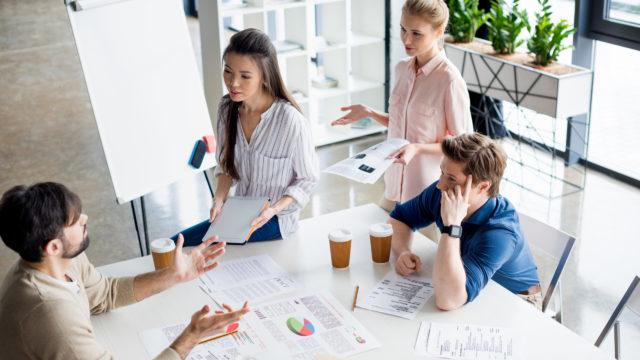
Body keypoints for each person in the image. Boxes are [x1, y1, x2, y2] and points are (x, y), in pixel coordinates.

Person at [0, 182, 250, 359]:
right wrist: (194, 334)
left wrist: (173, 275)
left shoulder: (60, 259)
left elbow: (103, 294)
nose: (85, 218)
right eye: (75, 221)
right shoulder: (49, 313)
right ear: (53, 246)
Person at [174, 28, 318, 246]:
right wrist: (219, 200)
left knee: (182, 246)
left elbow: (307, 180)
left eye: (245, 76)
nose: (233, 83)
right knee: (176, 244)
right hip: (238, 214)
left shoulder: (290, 121)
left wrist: (274, 209)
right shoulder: (226, 109)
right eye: (228, 72)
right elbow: (225, 166)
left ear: (264, 76)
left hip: (275, 221)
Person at [332, 0, 472, 212]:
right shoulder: (401, 70)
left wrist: (417, 149)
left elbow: (463, 147)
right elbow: (404, 125)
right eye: (403, 29)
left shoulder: (449, 80)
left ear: (439, 31)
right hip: (393, 185)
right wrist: (370, 113)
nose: (406, 39)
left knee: (422, 246)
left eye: (416, 33)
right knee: (379, 240)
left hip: (428, 194)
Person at [388, 134, 541, 311]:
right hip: (473, 286)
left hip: (517, 301)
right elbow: (399, 218)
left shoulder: (500, 233)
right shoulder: (442, 193)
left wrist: (451, 226)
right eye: (442, 173)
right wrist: (403, 251)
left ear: (483, 186)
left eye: (452, 179)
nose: (440, 185)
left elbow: (448, 300)